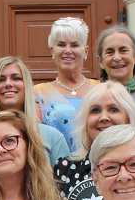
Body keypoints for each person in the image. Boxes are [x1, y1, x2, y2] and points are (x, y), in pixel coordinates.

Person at [0, 56, 69, 181]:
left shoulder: (53, 137)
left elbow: (64, 190)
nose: (8, 84)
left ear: (27, 85)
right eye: (1, 79)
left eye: (16, 78)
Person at [52, 81, 135, 200]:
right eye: (95, 110)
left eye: (113, 109)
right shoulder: (65, 168)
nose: (103, 117)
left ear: (128, 118)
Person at [34, 16, 98, 152]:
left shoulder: (101, 89)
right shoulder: (38, 93)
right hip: (55, 168)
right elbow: (37, 141)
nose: (67, 50)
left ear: (86, 51)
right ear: (52, 51)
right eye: (61, 44)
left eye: (74, 45)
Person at [95, 25, 135, 122]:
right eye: (110, 52)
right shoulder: (92, 102)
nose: (117, 58)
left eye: (123, 50)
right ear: (100, 61)